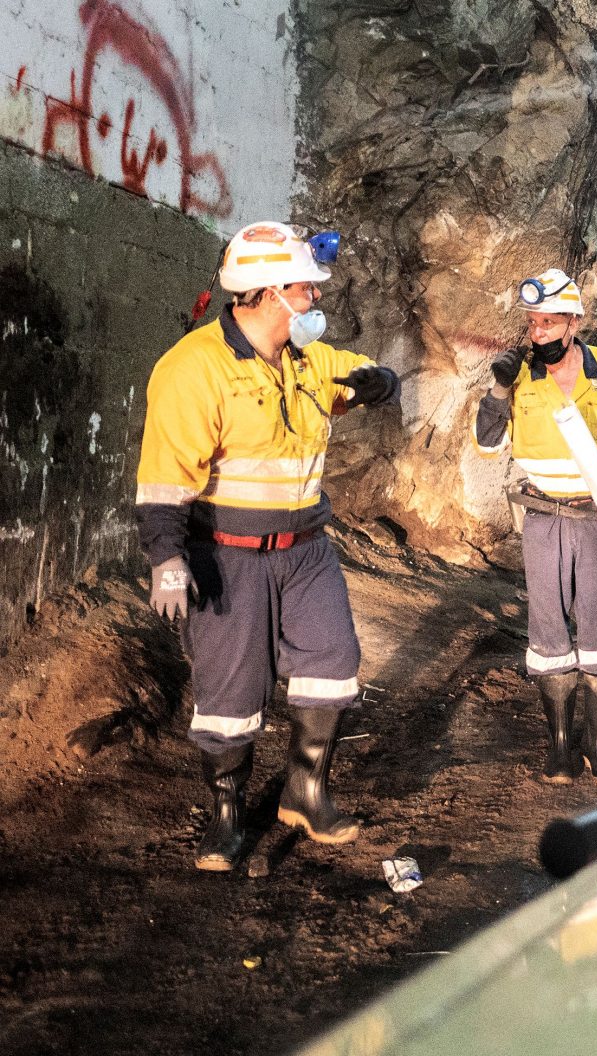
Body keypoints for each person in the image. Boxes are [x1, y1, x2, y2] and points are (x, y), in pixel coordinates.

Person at [135, 221, 400, 871]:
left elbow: (370, 374)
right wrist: (167, 559)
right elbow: (166, 475)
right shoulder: (195, 369)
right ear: (269, 292)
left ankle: (304, 793)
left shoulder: (309, 360)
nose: (314, 298)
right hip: (226, 555)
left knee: (334, 659)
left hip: (306, 549)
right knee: (231, 692)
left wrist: (379, 381)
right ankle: (226, 818)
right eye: (305, 288)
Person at [473, 268, 597, 786]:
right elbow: (487, 445)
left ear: (574, 322)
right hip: (543, 518)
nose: (539, 332)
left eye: (550, 321)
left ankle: (596, 746)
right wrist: (498, 389)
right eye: (533, 323)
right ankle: (557, 747)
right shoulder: (522, 376)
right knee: (549, 632)